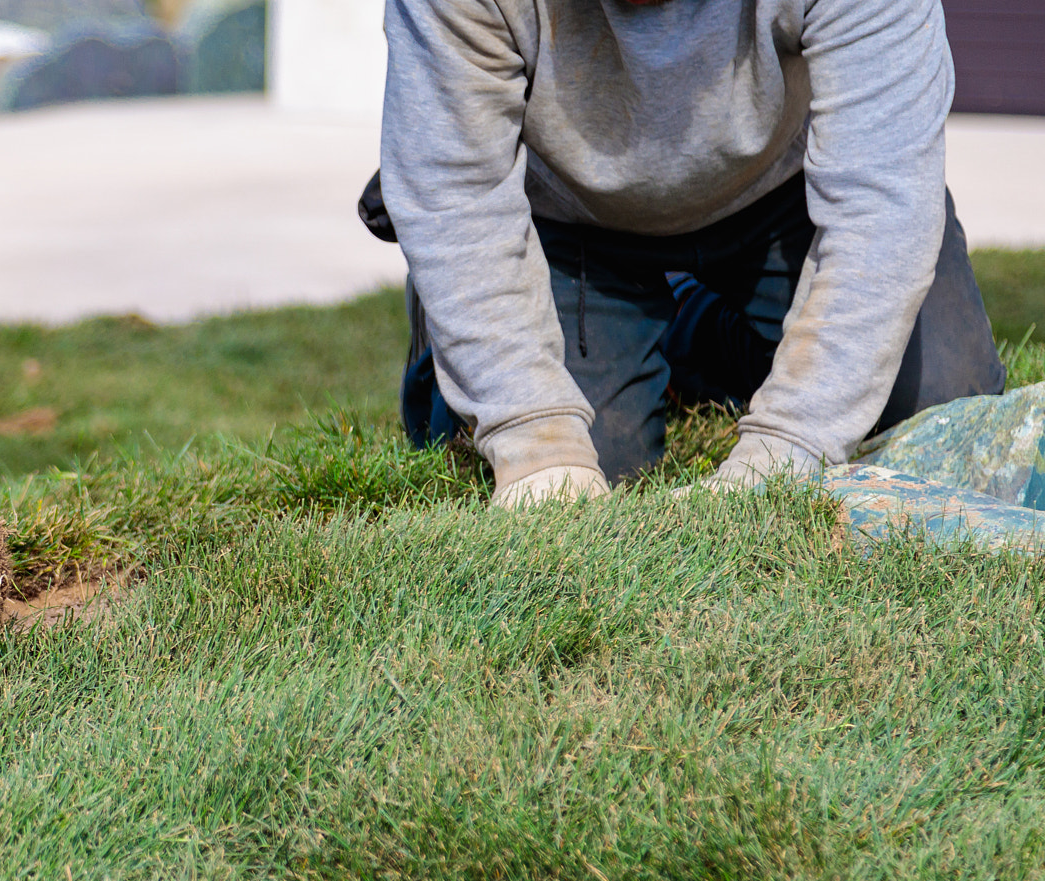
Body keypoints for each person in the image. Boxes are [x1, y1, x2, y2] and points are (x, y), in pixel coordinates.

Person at [370, 0, 1005, 508]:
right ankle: (449, 330)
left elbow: (881, 210)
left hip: (785, 190)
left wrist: (786, 450)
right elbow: (456, 191)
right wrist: (531, 437)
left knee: (943, 398)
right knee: (578, 477)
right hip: (563, 213)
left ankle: (688, 331)